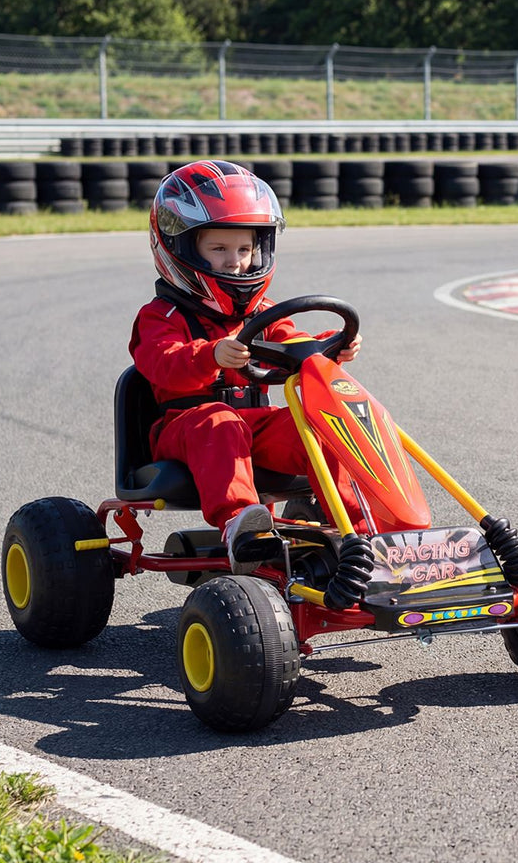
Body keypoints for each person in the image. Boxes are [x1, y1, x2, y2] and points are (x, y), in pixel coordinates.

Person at [130, 159, 369, 578]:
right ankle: (243, 526)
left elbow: (288, 341)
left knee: (323, 424)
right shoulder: (160, 315)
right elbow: (162, 365)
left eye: (244, 250)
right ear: (182, 250)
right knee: (220, 421)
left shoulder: (262, 312)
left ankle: (361, 531)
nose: (235, 262)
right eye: (218, 249)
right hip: (186, 428)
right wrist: (210, 356)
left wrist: (330, 347)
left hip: (255, 426)